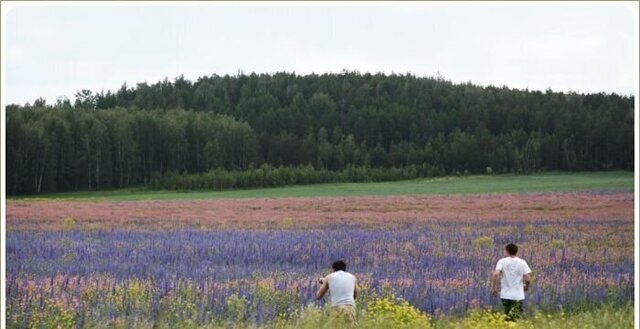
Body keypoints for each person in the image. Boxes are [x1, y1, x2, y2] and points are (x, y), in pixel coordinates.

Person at [491, 243, 532, 321]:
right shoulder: (522, 262)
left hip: (505, 295)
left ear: (507, 251)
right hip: (518, 295)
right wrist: (526, 287)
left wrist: (494, 288)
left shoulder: (502, 261)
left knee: (507, 317)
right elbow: (528, 278)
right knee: (515, 318)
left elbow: (496, 274)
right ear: (516, 252)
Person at [316, 260, 358, 326]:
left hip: (336, 307)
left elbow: (318, 296)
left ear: (333, 269)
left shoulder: (329, 277)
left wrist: (323, 283)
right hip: (350, 307)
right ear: (345, 269)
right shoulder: (352, 277)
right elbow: (355, 295)